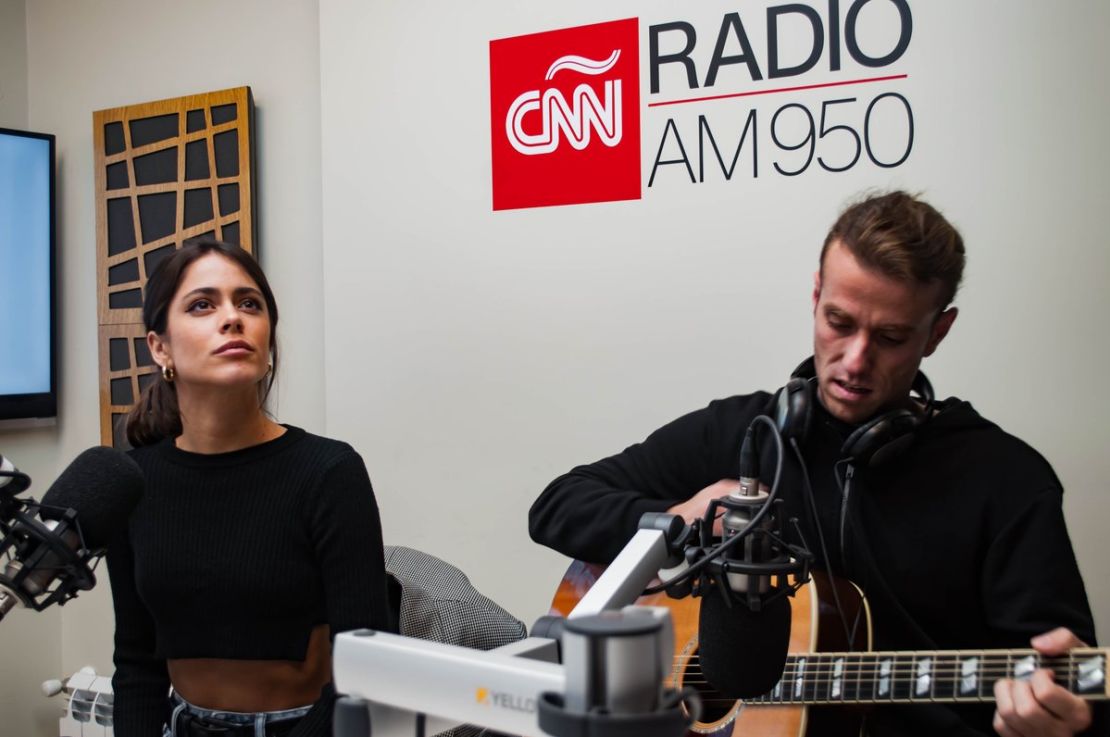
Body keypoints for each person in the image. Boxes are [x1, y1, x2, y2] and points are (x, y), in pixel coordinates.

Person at [529, 191, 1101, 737]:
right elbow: (557, 504)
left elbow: (1064, 680)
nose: (855, 360)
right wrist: (684, 527)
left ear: (938, 332)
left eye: (892, 336)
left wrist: (1058, 719)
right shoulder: (743, 433)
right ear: (815, 296)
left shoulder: (1007, 481)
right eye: (839, 322)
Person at [107, 239, 394, 737]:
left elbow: (364, 669)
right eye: (202, 305)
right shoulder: (131, 483)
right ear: (160, 347)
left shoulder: (328, 471)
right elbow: (137, 663)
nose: (232, 318)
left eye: (249, 304)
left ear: (268, 335)